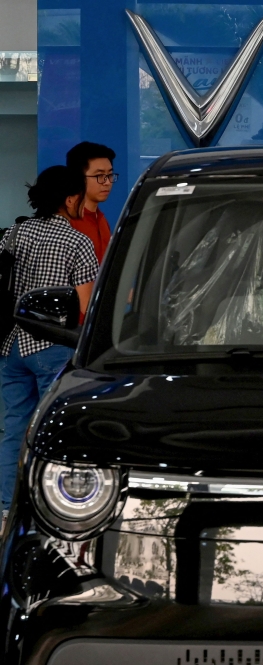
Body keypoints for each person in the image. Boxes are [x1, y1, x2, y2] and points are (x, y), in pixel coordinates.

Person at [0, 166, 99, 515]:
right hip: (53, 346)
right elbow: (85, 305)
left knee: (14, 426)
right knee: (52, 430)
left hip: (12, 345)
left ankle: (5, 509)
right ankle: (44, 506)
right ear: (70, 198)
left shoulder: (14, 234)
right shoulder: (77, 241)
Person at [66, 142, 117, 264]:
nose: (107, 182)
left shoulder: (101, 219)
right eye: (99, 175)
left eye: (110, 175)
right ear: (78, 178)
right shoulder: (67, 221)